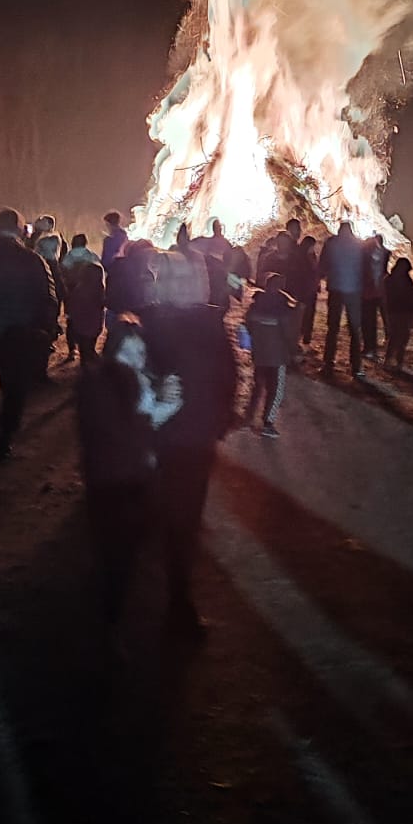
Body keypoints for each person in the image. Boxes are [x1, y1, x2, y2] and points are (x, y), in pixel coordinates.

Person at [142, 251, 237, 632]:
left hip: (182, 437)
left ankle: (176, 598)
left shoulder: (198, 323)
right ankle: (174, 598)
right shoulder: (148, 324)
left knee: (176, 515)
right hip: (173, 436)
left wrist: (220, 419)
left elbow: (227, 378)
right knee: (175, 516)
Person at [78, 315, 183, 633]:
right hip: (114, 484)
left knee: (135, 546)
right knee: (116, 558)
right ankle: (108, 628)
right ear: (112, 352)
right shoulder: (98, 385)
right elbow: (124, 433)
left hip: (139, 478)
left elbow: (144, 422)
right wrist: (169, 406)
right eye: (129, 353)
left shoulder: (138, 379)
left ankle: (120, 610)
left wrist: (168, 400)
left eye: (140, 352)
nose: (137, 360)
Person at [0, 208, 59, 462]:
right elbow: (48, 298)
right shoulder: (33, 260)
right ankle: (3, 442)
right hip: (19, 335)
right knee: (14, 392)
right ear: (19, 230)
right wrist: (45, 330)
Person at [244, 272, 299, 437]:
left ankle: (249, 417)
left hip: (259, 353)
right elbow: (289, 333)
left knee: (258, 385)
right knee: (276, 389)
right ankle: (268, 423)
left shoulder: (256, 305)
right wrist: (293, 351)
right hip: (277, 356)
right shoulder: (283, 308)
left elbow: (248, 325)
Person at [319, 221, 366, 378]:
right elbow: (365, 267)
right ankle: (356, 366)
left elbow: (323, 265)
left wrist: (320, 278)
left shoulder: (331, 243)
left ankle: (328, 362)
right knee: (355, 329)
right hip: (354, 290)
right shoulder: (359, 244)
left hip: (336, 289)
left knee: (333, 328)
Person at [62, 233, 102, 361]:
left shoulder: (68, 256)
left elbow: (63, 270)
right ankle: (89, 348)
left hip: (72, 291)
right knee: (89, 319)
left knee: (71, 320)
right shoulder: (90, 255)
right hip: (90, 292)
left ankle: (72, 349)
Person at [383, 257, 413, 369]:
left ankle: (391, 359)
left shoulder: (389, 279)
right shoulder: (406, 280)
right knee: (401, 337)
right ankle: (397, 360)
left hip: (394, 311)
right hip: (402, 311)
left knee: (396, 336)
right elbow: (408, 296)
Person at [362, 235, 391, 360]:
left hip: (370, 292)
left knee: (370, 320)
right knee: (381, 315)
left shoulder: (370, 257)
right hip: (380, 289)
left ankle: (371, 347)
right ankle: (386, 336)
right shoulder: (384, 253)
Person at [288, 236, 320, 347]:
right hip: (304, 290)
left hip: (309, 290)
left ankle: (305, 337)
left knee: (308, 315)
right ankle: (301, 337)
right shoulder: (301, 257)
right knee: (303, 315)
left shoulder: (309, 256)